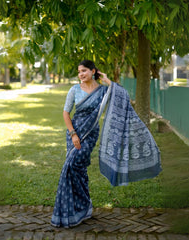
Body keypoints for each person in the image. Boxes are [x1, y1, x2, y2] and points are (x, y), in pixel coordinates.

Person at [51, 60, 162, 228]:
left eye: (84, 71)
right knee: (77, 168)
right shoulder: (74, 90)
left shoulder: (103, 91)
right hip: (74, 132)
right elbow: (66, 113)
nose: (81, 74)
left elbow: (122, 96)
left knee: (73, 165)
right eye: (79, 71)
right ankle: (82, 207)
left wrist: (108, 81)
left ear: (93, 71)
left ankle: (80, 206)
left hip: (90, 133)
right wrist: (73, 134)